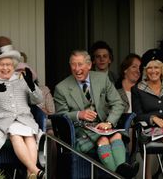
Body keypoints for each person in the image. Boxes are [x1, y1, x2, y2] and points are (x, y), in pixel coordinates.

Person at [53, 50, 139, 178]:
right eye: (73, 64)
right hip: (80, 130)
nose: (77, 69)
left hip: (104, 126)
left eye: (80, 64)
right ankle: (122, 175)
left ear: (89, 65)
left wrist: (109, 122)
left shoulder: (102, 79)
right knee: (103, 139)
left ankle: (120, 173)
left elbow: (118, 103)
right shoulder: (62, 88)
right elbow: (60, 116)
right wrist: (79, 114)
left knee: (116, 137)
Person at [0, 49, 45, 178]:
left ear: (14, 67)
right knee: (15, 134)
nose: (5, 68)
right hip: (3, 122)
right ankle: (35, 169)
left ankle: (32, 173)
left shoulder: (22, 80)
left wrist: (31, 85)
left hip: (25, 120)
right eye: (2, 65)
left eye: (9, 65)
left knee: (30, 136)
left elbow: (39, 100)